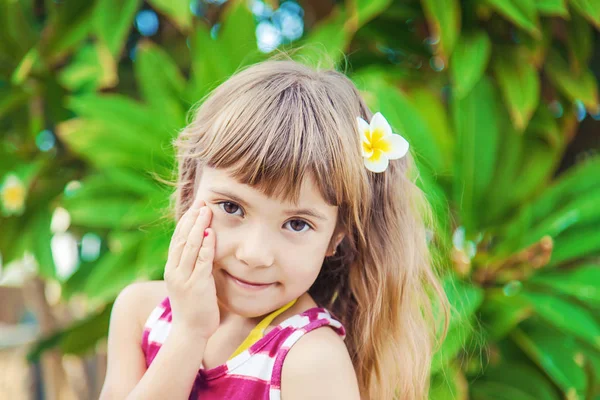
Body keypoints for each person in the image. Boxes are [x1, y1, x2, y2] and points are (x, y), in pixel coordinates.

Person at [99, 59, 449, 400]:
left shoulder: (310, 360)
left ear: (336, 236)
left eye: (297, 224)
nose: (254, 254)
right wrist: (188, 335)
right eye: (231, 207)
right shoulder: (141, 311)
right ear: (191, 190)